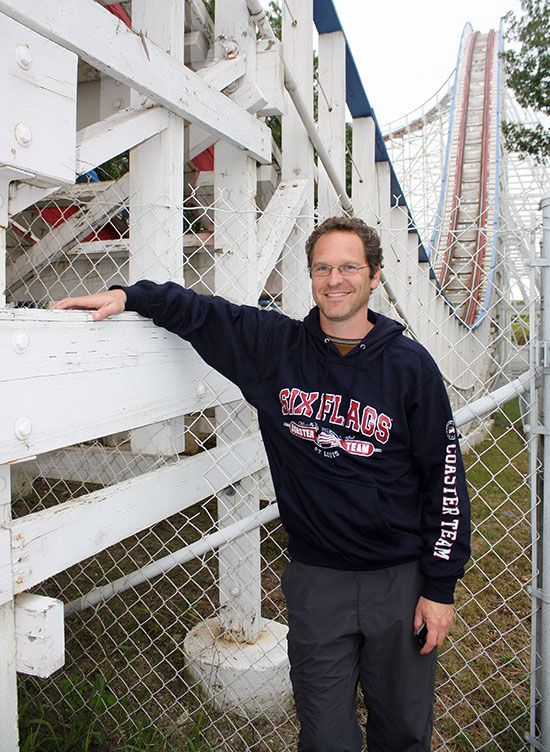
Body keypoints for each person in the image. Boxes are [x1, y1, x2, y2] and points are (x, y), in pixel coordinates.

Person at [51, 216, 470, 752]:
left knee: (404, 732)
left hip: (400, 580)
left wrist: (439, 587)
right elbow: (205, 314)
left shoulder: (411, 367)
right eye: (323, 268)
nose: (335, 279)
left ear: (375, 276)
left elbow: (446, 483)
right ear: (311, 276)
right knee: (323, 738)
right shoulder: (276, 349)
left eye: (349, 267)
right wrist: (129, 296)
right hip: (319, 582)